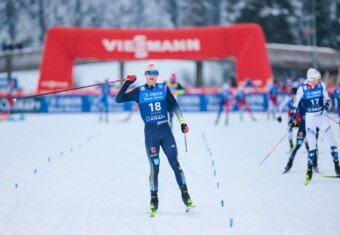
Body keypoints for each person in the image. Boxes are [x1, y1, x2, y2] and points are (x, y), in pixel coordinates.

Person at [115, 62, 194, 216]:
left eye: (154, 73)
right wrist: (127, 83)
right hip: (151, 133)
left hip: (166, 131)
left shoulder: (164, 89)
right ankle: (154, 199)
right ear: (145, 75)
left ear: (157, 75)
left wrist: (183, 122)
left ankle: (185, 194)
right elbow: (119, 99)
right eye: (149, 73)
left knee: (175, 164)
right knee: (155, 168)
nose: (152, 76)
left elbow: (176, 106)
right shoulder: (139, 91)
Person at [288, 68, 340, 185]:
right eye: (316, 79)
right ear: (311, 79)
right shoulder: (302, 89)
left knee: (333, 143)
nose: (319, 80)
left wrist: (326, 108)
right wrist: (291, 119)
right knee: (312, 147)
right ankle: (309, 171)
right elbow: (295, 105)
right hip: (310, 120)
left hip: (322, 118)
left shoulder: (321, 85)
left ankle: (337, 167)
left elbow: (327, 100)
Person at [278, 87, 319, 174]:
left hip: (309, 125)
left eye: (294, 94)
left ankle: (315, 165)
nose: (292, 96)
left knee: (310, 146)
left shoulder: (304, 100)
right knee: (298, 145)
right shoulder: (295, 102)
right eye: (291, 94)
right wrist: (292, 121)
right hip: (301, 125)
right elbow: (293, 112)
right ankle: (289, 164)